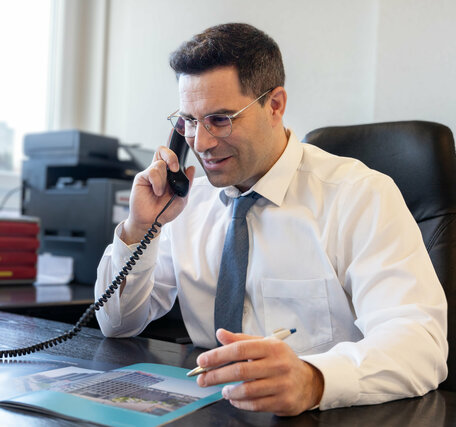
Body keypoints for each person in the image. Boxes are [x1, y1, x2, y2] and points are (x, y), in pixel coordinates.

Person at [95, 23, 447, 415]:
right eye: (189, 121)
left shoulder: (359, 196)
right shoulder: (184, 203)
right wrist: (140, 228)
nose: (202, 143)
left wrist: (314, 378)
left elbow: (421, 346)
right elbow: (117, 323)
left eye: (220, 119)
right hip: (213, 411)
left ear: (275, 105)